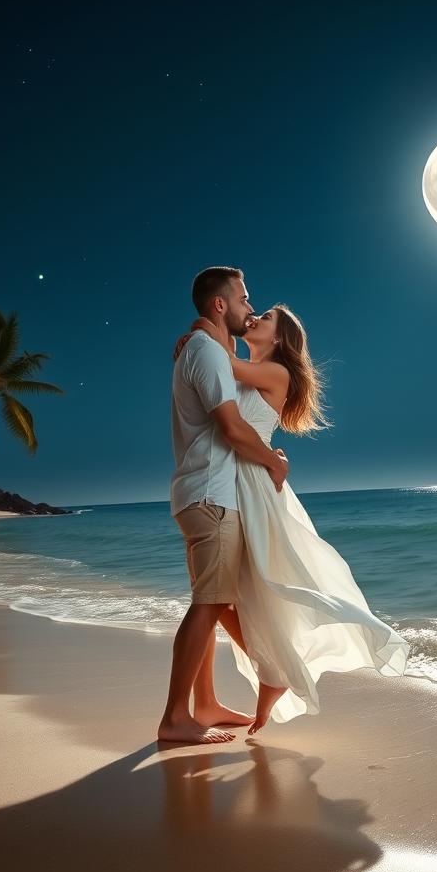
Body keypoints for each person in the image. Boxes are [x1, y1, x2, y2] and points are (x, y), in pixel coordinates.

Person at [174, 289, 409, 736]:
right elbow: (217, 374)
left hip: (253, 486)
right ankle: (269, 674)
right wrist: (200, 337)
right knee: (228, 592)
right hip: (234, 482)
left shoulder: (275, 372)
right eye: (255, 310)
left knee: (248, 585)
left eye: (265, 317)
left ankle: (273, 672)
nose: (256, 316)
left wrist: (198, 332)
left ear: (279, 339)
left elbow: (218, 366)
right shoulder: (248, 366)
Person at [158, 266, 289, 745]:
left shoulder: (209, 349)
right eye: (243, 299)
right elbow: (234, 429)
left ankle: (206, 702)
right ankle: (177, 718)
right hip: (212, 496)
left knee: (212, 603)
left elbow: (232, 374)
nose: (249, 308)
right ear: (220, 304)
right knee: (209, 604)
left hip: (203, 493)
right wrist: (275, 467)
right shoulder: (207, 351)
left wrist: (198, 331)